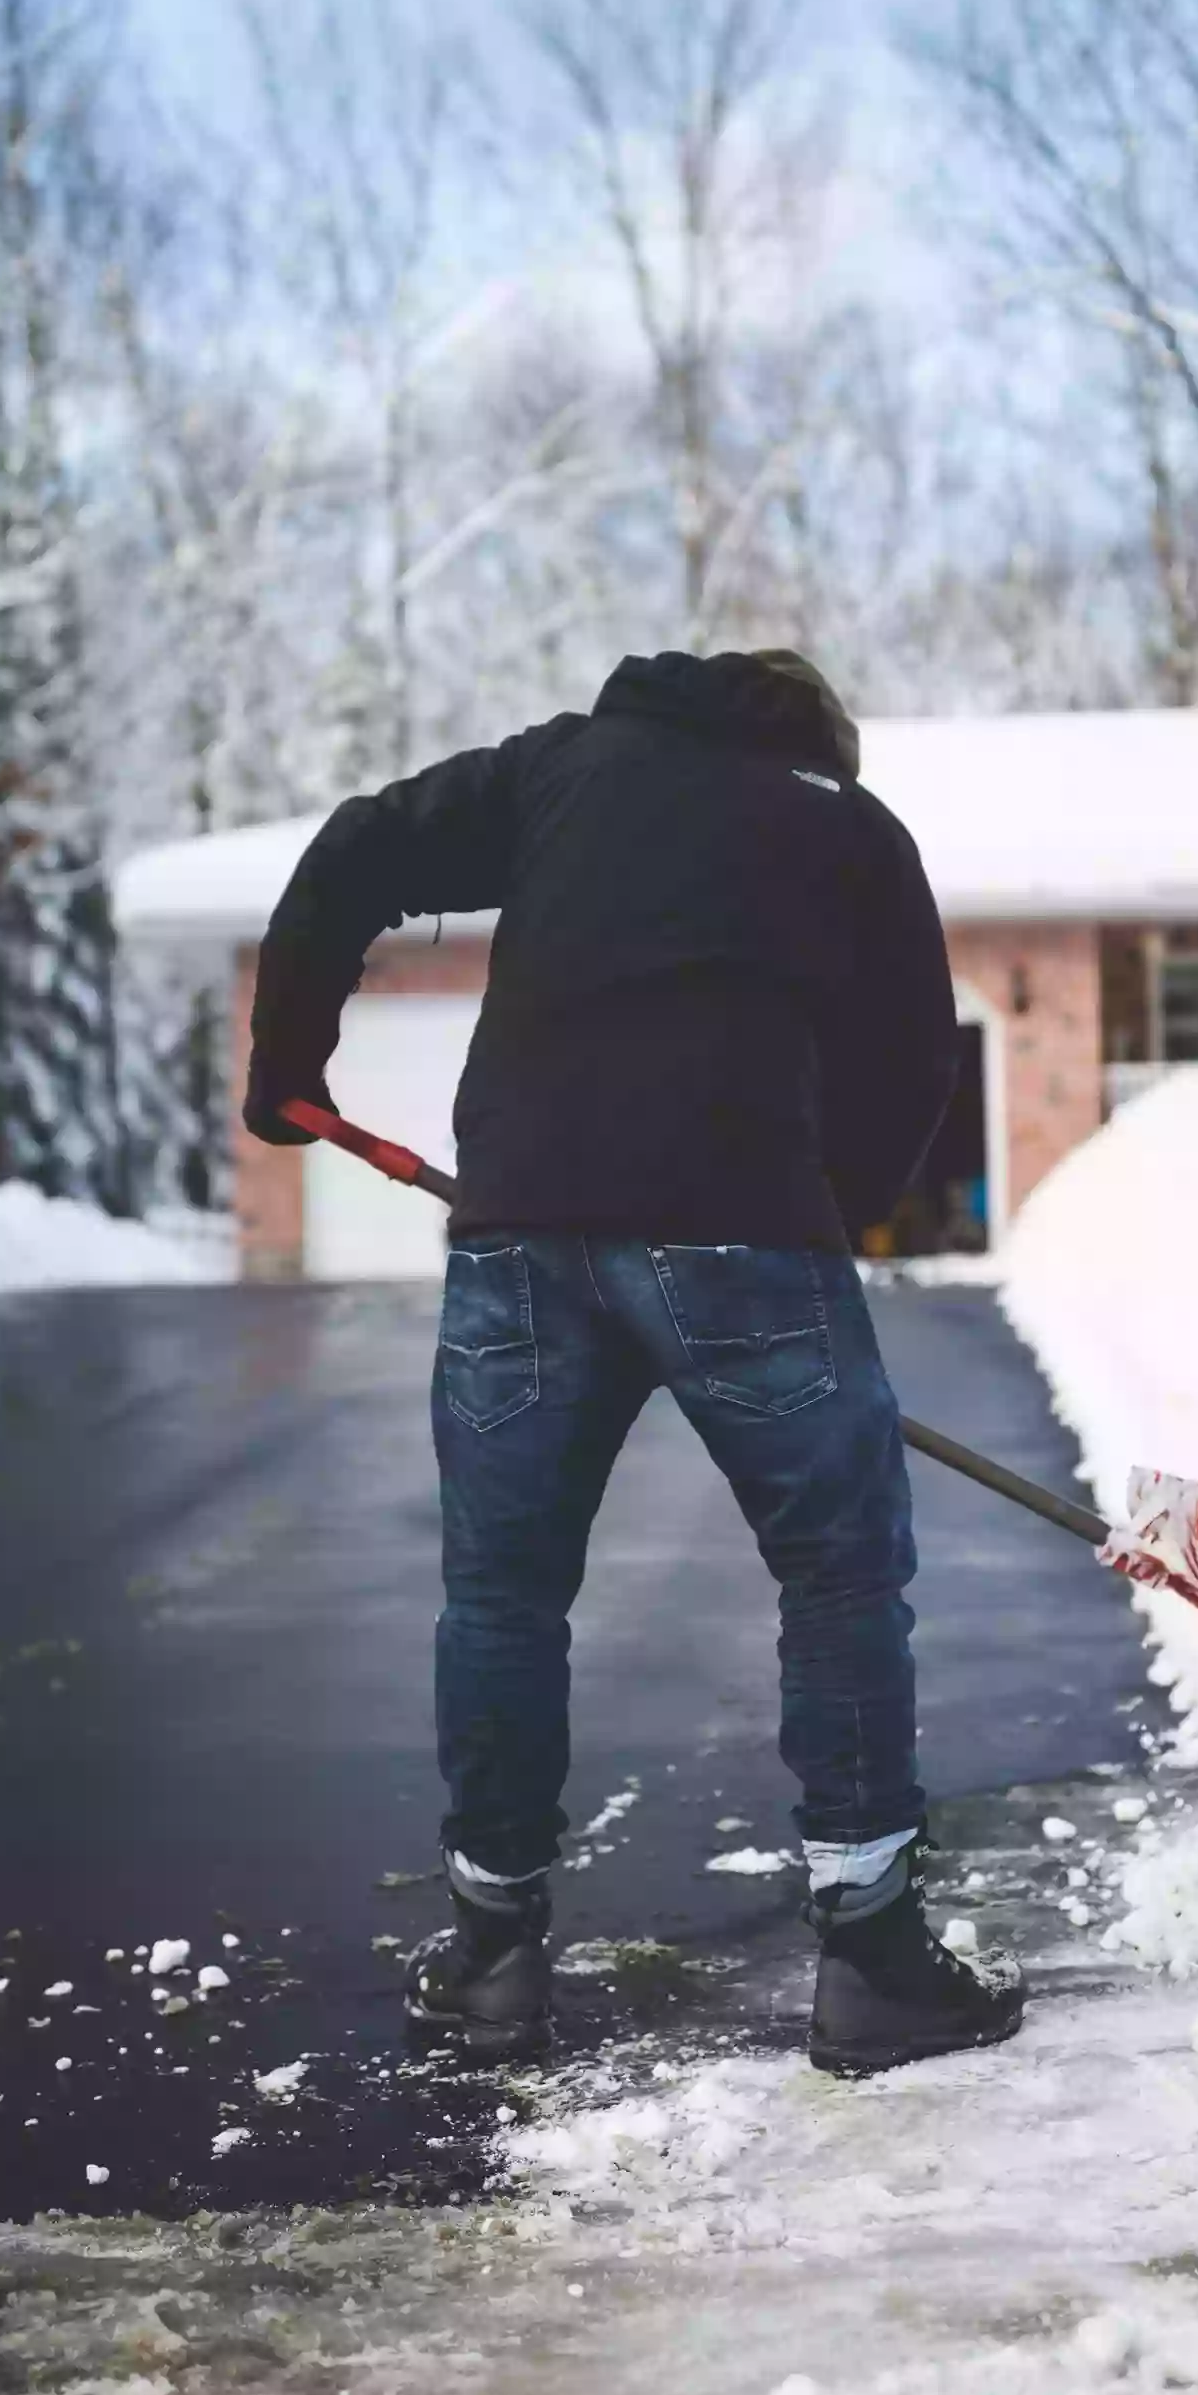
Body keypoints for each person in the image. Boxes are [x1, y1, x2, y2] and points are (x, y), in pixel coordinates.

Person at [243, 647, 1025, 2079]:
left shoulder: (561, 771)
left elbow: (357, 845)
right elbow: (914, 1055)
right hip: (742, 1231)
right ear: (818, 745)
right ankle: (871, 1960)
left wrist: (284, 1060)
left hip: (521, 1230)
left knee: (502, 1591)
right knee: (840, 1571)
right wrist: (811, 1207)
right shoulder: (848, 828)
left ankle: (490, 1953)